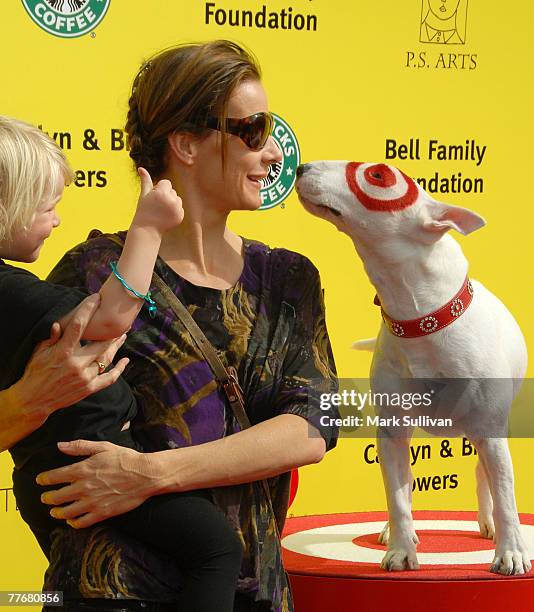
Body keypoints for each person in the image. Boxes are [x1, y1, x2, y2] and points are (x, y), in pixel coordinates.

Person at [37, 40, 338, 611]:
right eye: (253, 130)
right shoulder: (95, 272)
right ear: (185, 143)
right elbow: (41, 418)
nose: (274, 152)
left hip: (253, 590)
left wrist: (151, 474)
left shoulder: (287, 281)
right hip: (115, 590)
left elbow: (312, 426)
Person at [0, 116, 247, 612]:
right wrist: (148, 230)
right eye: (48, 208)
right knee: (218, 547)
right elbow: (111, 316)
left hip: (50, 469)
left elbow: (315, 423)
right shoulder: (12, 290)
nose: (57, 221)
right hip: (82, 466)